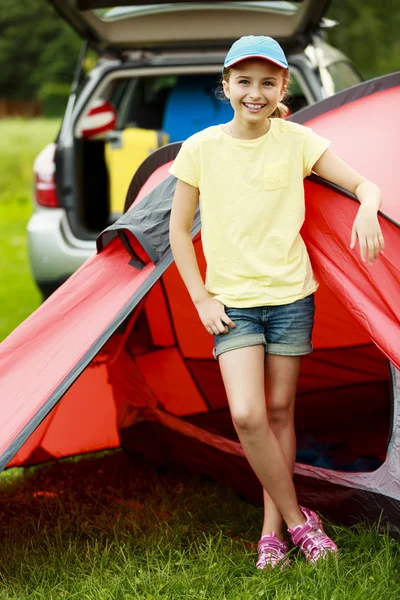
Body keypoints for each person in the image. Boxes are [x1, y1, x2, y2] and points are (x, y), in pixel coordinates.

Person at [168, 35, 385, 570]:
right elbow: (176, 231)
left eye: (267, 82)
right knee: (247, 415)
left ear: (282, 86)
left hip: (290, 296)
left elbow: (367, 185)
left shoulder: (298, 142)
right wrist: (200, 299)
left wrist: (367, 207)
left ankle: (271, 532)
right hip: (231, 304)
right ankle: (298, 521)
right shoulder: (200, 148)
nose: (255, 93)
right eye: (244, 81)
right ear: (226, 86)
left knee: (281, 412)